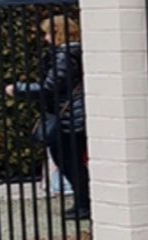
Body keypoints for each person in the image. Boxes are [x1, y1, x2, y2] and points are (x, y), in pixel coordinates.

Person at [6, 15, 90, 221]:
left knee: (69, 161)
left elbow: (50, 87)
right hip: (70, 115)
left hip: (69, 117)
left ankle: (85, 204)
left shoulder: (65, 55)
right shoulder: (72, 52)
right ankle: (83, 202)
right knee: (70, 161)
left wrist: (18, 89)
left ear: (59, 32)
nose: (45, 38)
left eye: (48, 33)